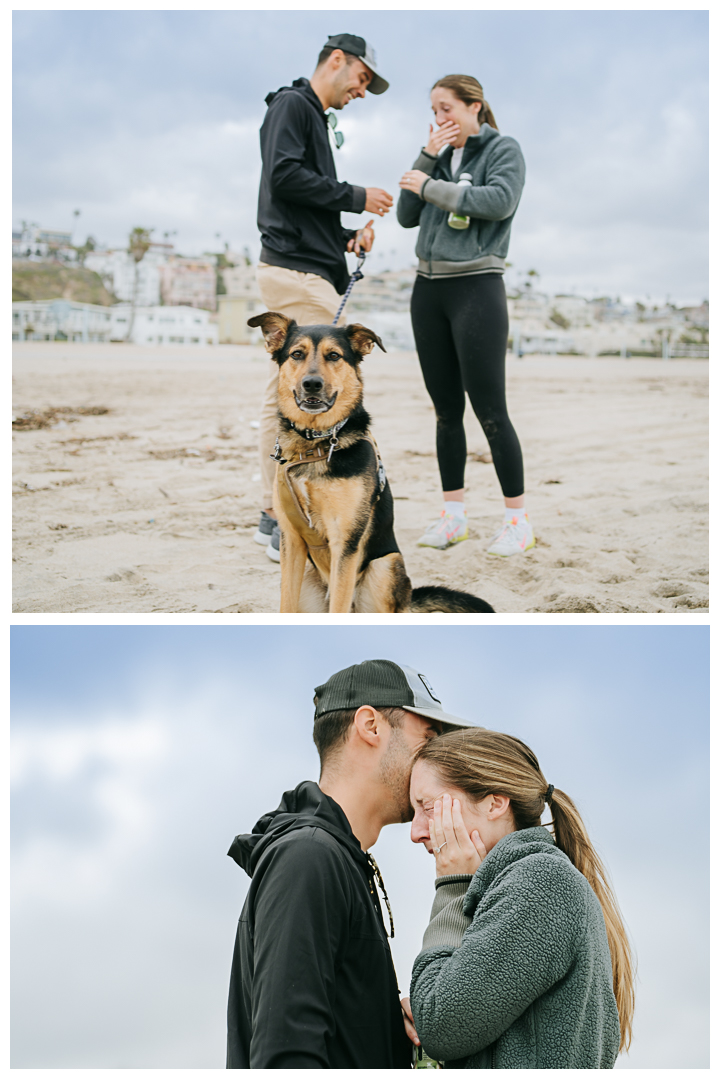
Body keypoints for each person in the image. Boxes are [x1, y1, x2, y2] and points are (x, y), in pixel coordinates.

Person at [225, 659, 478, 1068]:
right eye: (428, 738)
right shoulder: (309, 858)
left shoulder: (336, 858)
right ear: (370, 726)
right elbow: (287, 1059)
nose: (437, 759)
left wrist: (381, 1023)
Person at [405, 728, 635, 1068]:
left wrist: (453, 887)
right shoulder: (518, 886)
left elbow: (442, 1025)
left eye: (426, 806)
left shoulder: (543, 885)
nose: (416, 831)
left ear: (495, 803)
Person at [253, 34, 394, 562]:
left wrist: (344, 237)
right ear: (338, 60)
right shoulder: (292, 106)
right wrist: (357, 195)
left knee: (289, 389)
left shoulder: (308, 113)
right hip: (296, 273)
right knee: (309, 387)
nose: (362, 91)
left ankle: (275, 512)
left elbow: (299, 204)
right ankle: (281, 515)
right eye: (362, 79)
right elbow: (285, 177)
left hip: (303, 264)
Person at [397, 75, 534, 557]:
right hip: (428, 289)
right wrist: (426, 157)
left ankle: (517, 520)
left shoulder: (503, 149)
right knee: (445, 411)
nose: (440, 120)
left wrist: (433, 185)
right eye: (433, 111)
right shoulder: (438, 155)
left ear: (475, 107)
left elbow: (499, 202)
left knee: (491, 411)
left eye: (447, 109)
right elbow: (405, 214)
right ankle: (453, 517)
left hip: (477, 287)